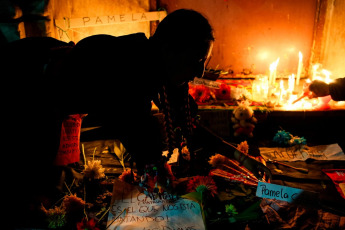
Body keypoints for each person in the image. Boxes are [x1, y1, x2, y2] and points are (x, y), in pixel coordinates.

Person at [4, 9, 270, 226]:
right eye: (196, 60)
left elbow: (185, 121)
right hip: (24, 81)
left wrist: (237, 156)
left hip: (57, 92)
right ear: (169, 49)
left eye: (204, 62)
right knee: (31, 190)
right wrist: (169, 185)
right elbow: (144, 144)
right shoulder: (128, 70)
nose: (199, 70)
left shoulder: (162, 67)